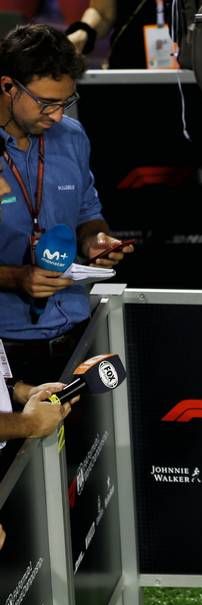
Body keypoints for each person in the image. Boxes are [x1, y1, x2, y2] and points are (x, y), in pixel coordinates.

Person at [0, 24, 132, 384]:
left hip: (76, 336)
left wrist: (96, 242)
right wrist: (16, 278)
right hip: (6, 353)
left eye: (65, 102)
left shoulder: (71, 137)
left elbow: (88, 215)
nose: (57, 116)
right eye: (46, 103)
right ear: (7, 86)